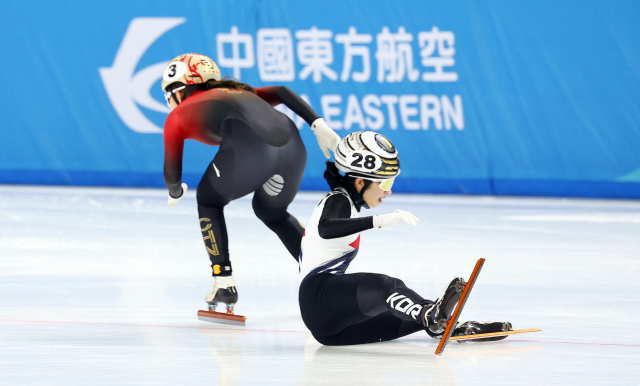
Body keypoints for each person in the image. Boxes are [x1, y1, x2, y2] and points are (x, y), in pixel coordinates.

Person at [161, 53, 340, 314]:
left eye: (170, 94)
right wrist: (317, 123)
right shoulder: (236, 90)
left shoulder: (177, 115)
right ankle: (325, 276)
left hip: (253, 150)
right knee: (271, 212)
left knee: (209, 200)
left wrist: (175, 191)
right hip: (294, 149)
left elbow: (171, 172)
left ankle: (223, 282)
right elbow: (281, 91)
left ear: (180, 90)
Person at [298, 131, 511, 345]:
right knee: (387, 287)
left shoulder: (347, 203)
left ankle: (449, 327)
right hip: (318, 299)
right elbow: (326, 228)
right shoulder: (338, 200)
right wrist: (379, 220)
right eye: (384, 184)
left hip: (331, 330)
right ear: (360, 182)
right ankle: (431, 315)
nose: (388, 192)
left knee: (409, 313)